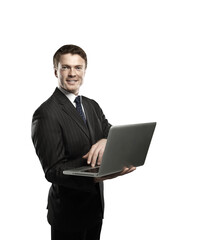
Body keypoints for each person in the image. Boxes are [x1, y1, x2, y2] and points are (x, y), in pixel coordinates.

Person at [31, 44, 136, 240]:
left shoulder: (91, 105)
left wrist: (106, 139)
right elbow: (53, 171)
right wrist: (97, 177)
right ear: (56, 71)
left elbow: (110, 132)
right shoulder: (46, 113)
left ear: (84, 71)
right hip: (68, 216)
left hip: (95, 210)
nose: (72, 73)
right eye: (66, 67)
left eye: (78, 67)